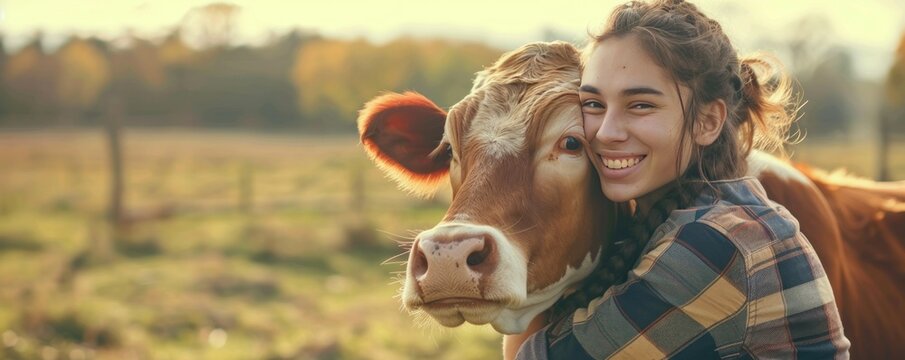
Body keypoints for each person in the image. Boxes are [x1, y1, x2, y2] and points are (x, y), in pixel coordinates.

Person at [506, 0, 851, 358]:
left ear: (708, 122)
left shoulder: (720, 243)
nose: (605, 132)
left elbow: (529, 355)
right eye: (593, 104)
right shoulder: (700, 216)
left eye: (640, 105)